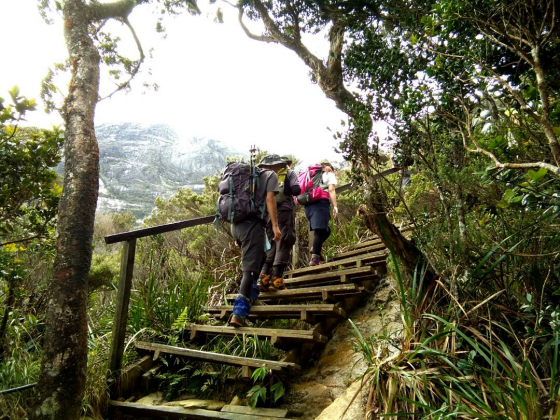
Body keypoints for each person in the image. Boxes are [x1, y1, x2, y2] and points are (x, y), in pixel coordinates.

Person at [229, 155, 282, 327]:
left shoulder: (248, 177)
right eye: (278, 166)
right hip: (252, 226)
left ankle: (252, 296)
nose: (279, 169)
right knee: (250, 269)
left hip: (236, 225)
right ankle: (239, 313)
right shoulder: (270, 176)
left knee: (260, 257)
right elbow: (270, 199)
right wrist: (275, 226)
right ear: (272, 166)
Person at [258, 155, 301, 291]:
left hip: (267, 214)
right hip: (283, 210)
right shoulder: (289, 172)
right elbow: (296, 190)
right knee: (284, 240)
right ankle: (276, 280)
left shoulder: (263, 176)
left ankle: (263, 278)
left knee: (270, 244)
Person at [304, 160, 338, 266]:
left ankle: (315, 249)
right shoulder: (329, 173)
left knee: (325, 230)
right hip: (321, 203)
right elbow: (331, 190)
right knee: (319, 231)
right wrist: (335, 206)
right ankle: (314, 259)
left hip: (308, 204)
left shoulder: (310, 174)